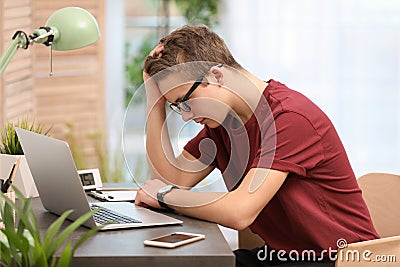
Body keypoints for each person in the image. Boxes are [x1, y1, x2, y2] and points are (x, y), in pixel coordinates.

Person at [134, 25, 379, 267]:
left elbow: (240, 211)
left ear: (216, 76)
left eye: (185, 101)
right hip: (282, 257)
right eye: (177, 107)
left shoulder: (290, 118)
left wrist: (165, 196)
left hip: (339, 259)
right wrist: (153, 94)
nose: (186, 117)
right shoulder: (223, 124)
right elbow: (167, 178)